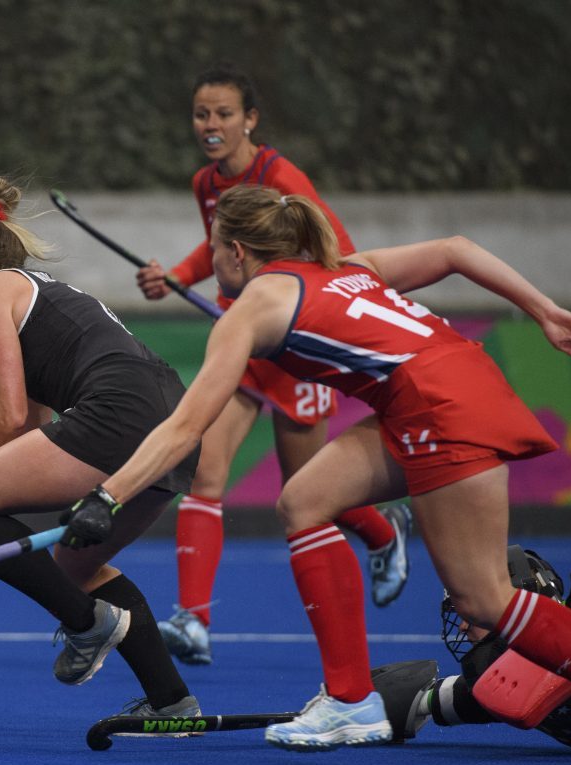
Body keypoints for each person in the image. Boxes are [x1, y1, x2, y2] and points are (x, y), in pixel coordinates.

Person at [60, 183, 571, 761]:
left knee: (485, 598)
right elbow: (455, 249)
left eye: (214, 247)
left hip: (434, 405)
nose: (211, 260)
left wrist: (107, 496)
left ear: (236, 251)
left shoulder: (250, 310)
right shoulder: (345, 266)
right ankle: (350, 699)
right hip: (435, 389)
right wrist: (546, 311)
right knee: (305, 500)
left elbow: (187, 427)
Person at [0, 175, 202, 724]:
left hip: (120, 412)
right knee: (75, 567)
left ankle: (86, 624)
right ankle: (172, 703)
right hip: (172, 423)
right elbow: (33, 422)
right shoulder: (33, 293)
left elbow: (6, 419)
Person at [131, 63, 411, 665]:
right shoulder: (205, 181)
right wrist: (176, 276)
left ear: (250, 120)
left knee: (306, 488)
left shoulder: (282, 177)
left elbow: (335, 248)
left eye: (224, 114)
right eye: (202, 114)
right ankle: (194, 621)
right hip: (243, 344)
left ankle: (387, 533)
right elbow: (223, 245)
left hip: (292, 348)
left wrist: (316, 316)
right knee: (205, 475)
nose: (211, 125)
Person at [410, 543, 571, 758]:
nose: (463, 626)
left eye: (472, 613)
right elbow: (468, 694)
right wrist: (416, 701)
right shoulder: (505, 680)